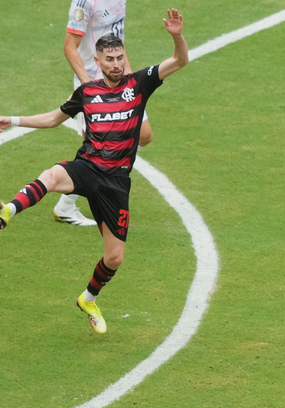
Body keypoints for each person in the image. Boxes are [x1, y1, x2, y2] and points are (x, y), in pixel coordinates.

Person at [0, 9, 188, 334]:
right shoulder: (86, 93)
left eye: (119, 57)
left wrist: (176, 35)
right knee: (53, 175)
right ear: (97, 62)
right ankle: (8, 210)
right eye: (109, 59)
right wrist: (13, 120)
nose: (116, 64)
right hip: (88, 167)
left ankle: (88, 298)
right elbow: (51, 119)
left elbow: (180, 60)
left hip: (116, 184)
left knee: (114, 258)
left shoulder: (139, 84)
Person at [56, 0, 154, 226]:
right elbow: (70, 47)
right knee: (98, 147)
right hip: (95, 83)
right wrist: (87, 88)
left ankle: (68, 202)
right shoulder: (85, 2)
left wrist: (129, 77)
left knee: (145, 135)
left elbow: (116, 39)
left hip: (118, 79)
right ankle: (67, 204)